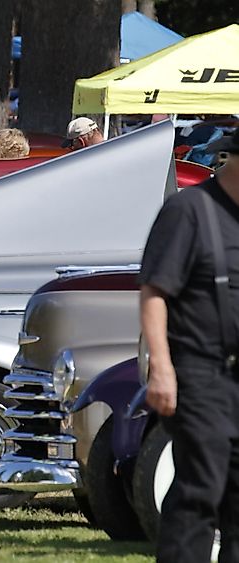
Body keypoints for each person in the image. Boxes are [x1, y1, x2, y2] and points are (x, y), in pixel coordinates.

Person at [140, 127, 239, 562]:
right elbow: (155, 293)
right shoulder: (189, 212)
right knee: (201, 490)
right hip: (200, 374)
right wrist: (161, 368)